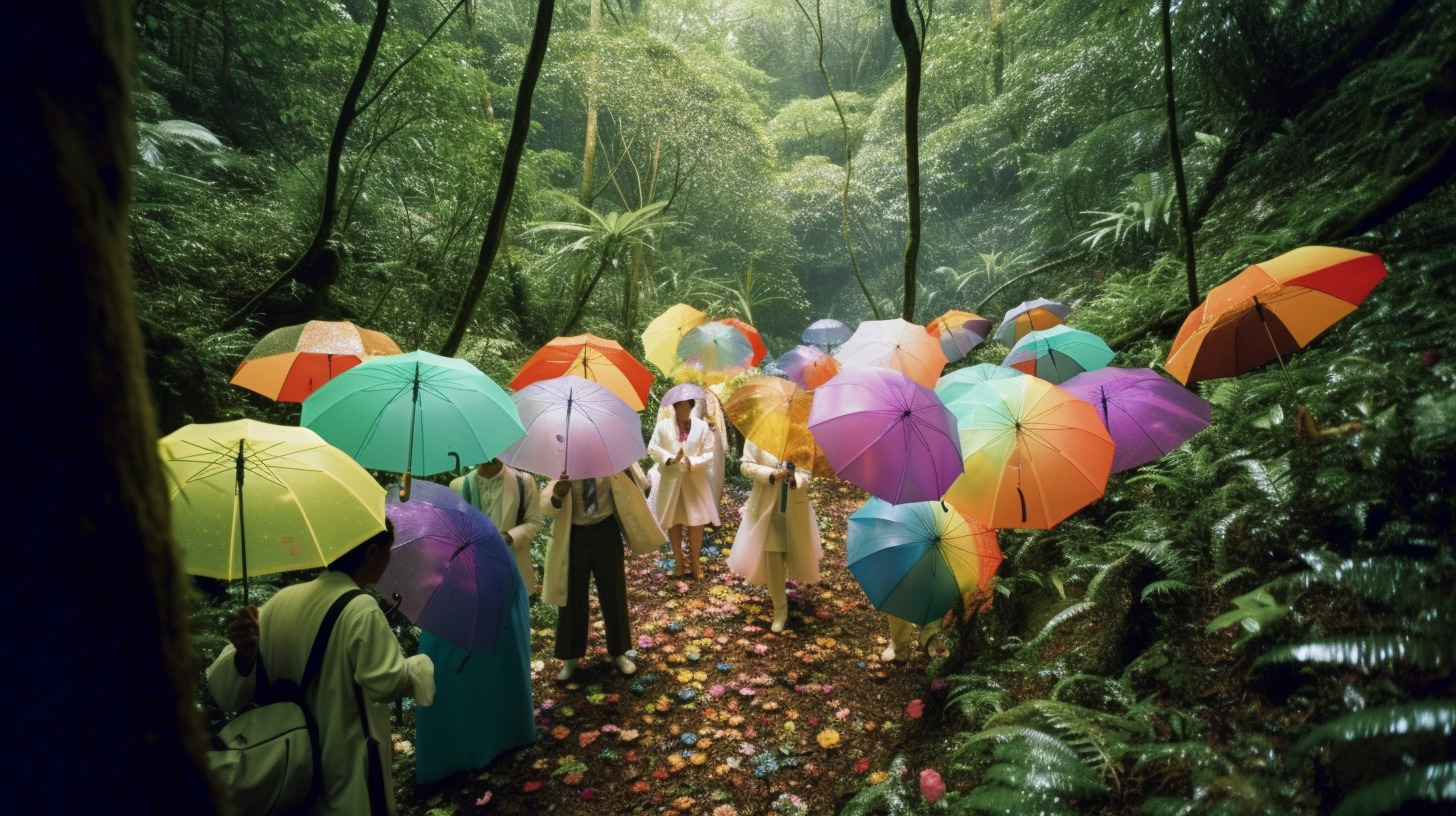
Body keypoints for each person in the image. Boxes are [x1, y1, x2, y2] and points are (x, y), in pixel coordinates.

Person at [208, 522, 435, 815]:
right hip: (344, 775)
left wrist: (244, 657)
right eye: (389, 550)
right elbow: (386, 683)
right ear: (372, 552)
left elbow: (226, 695)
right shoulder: (362, 608)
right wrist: (420, 666)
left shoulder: (280, 601)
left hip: (287, 776)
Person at [542, 469, 666, 681]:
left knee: (613, 592)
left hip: (605, 530)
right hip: (574, 534)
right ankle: (570, 657)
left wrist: (629, 473)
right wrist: (556, 496)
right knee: (571, 596)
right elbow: (545, 507)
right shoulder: (564, 463)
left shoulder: (611, 458)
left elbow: (644, 484)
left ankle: (619, 652)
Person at [726, 441, 823, 632]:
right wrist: (770, 473)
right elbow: (746, 466)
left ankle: (790, 599)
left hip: (795, 508)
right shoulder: (758, 435)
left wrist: (796, 480)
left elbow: (808, 473)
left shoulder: (802, 437)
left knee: (792, 552)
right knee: (773, 556)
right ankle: (780, 610)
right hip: (765, 507)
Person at [450, 457, 544, 596]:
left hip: (513, 571)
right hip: (473, 575)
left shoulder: (523, 482)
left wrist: (509, 537)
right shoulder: (458, 486)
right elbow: (453, 530)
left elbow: (534, 521)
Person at [649, 397, 720, 578]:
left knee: (696, 519)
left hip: (693, 480)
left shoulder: (702, 427)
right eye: (680, 408)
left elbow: (709, 452)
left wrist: (692, 461)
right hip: (671, 479)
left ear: (691, 407)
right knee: (674, 519)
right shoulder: (663, 426)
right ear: (675, 407)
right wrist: (670, 459)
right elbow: (653, 447)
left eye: (687, 408)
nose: (684, 412)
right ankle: (679, 562)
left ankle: (695, 561)